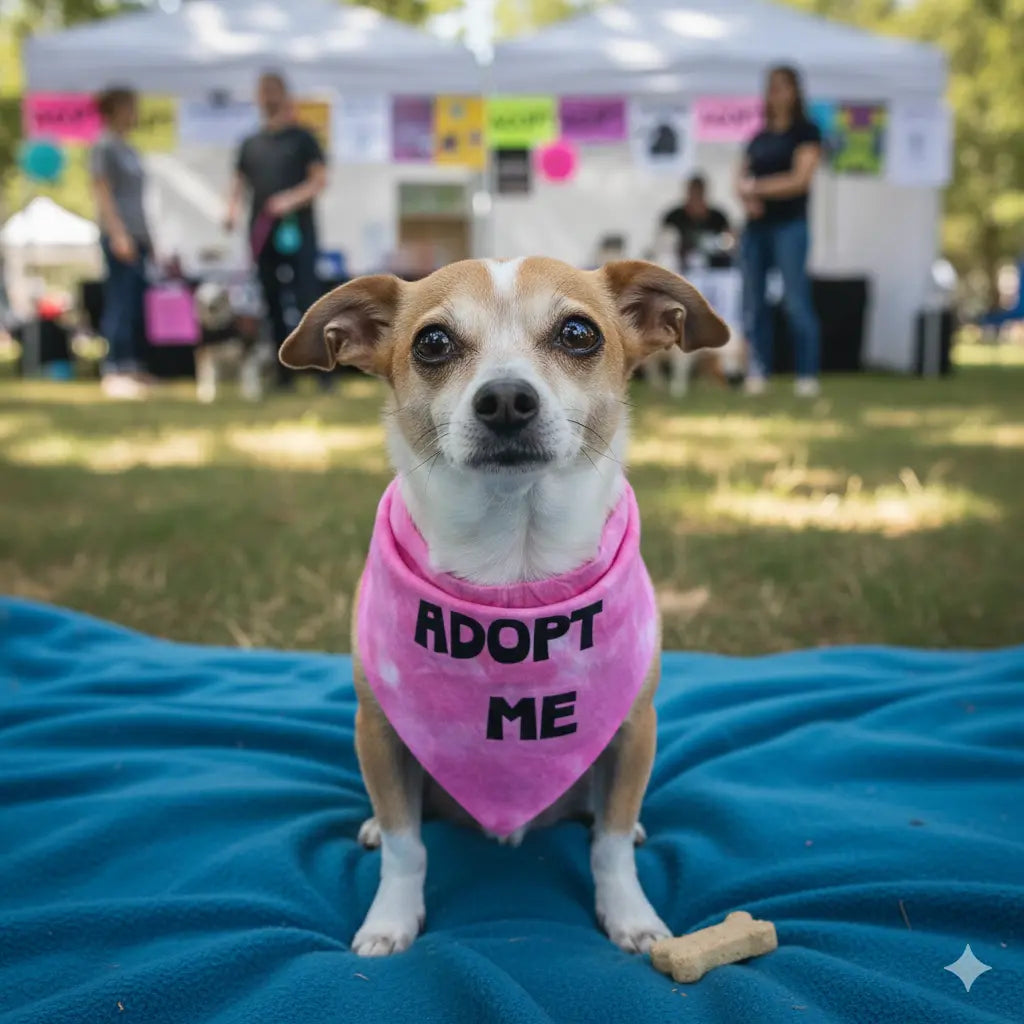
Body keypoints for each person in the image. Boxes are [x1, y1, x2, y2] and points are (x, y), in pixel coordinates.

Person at [225, 71, 327, 390]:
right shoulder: (249, 144)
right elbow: (237, 184)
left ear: (284, 95)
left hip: (298, 232)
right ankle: (284, 375)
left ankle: (324, 373)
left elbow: (319, 181)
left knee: (307, 298)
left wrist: (289, 200)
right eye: (262, 91)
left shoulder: (303, 139)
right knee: (270, 302)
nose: (268, 97)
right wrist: (230, 211)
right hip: (261, 233)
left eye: (273, 91)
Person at [737, 65, 823, 397]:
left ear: (795, 91)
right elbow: (741, 178)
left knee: (795, 300)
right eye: (772, 87)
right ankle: (758, 371)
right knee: (754, 303)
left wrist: (757, 189)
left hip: (790, 226)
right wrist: (748, 197)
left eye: (783, 87)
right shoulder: (758, 138)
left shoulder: (806, 132)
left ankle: (806, 373)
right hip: (757, 228)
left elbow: (799, 180)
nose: (777, 93)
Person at [89, 86, 152, 399]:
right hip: (120, 236)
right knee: (119, 300)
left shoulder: (129, 148)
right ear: (115, 109)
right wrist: (118, 234)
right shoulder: (104, 146)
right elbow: (102, 192)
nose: (135, 112)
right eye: (130, 106)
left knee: (135, 301)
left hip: (138, 236)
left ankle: (132, 364)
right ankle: (114, 368)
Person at [660, 175, 733, 270]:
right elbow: (663, 244)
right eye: (693, 193)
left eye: (698, 193)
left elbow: (729, 241)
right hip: (680, 267)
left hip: (714, 266)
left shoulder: (718, 217)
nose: (695, 197)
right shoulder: (673, 217)